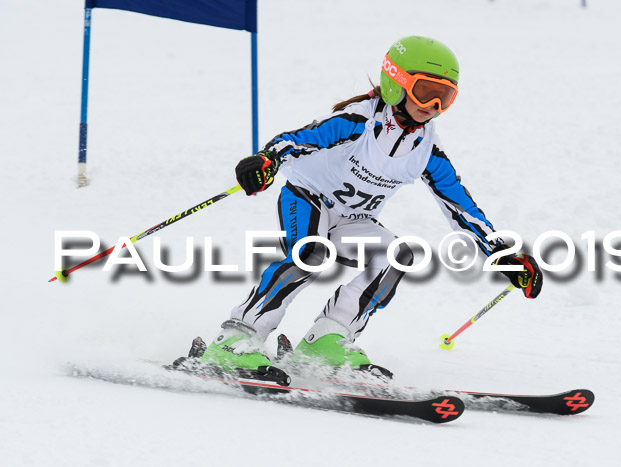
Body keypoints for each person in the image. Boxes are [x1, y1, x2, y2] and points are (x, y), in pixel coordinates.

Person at [197, 36, 542, 377]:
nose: (432, 106)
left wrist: (502, 254)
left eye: (444, 98)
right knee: (311, 253)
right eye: (425, 92)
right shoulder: (358, 122)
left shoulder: (427, 151)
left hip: (353, 219)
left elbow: (461, 209)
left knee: (398, 254)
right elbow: (299, 140)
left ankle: (327, 338)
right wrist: (267, 159)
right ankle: (236, 338)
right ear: (397, 82)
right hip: (308, 198)